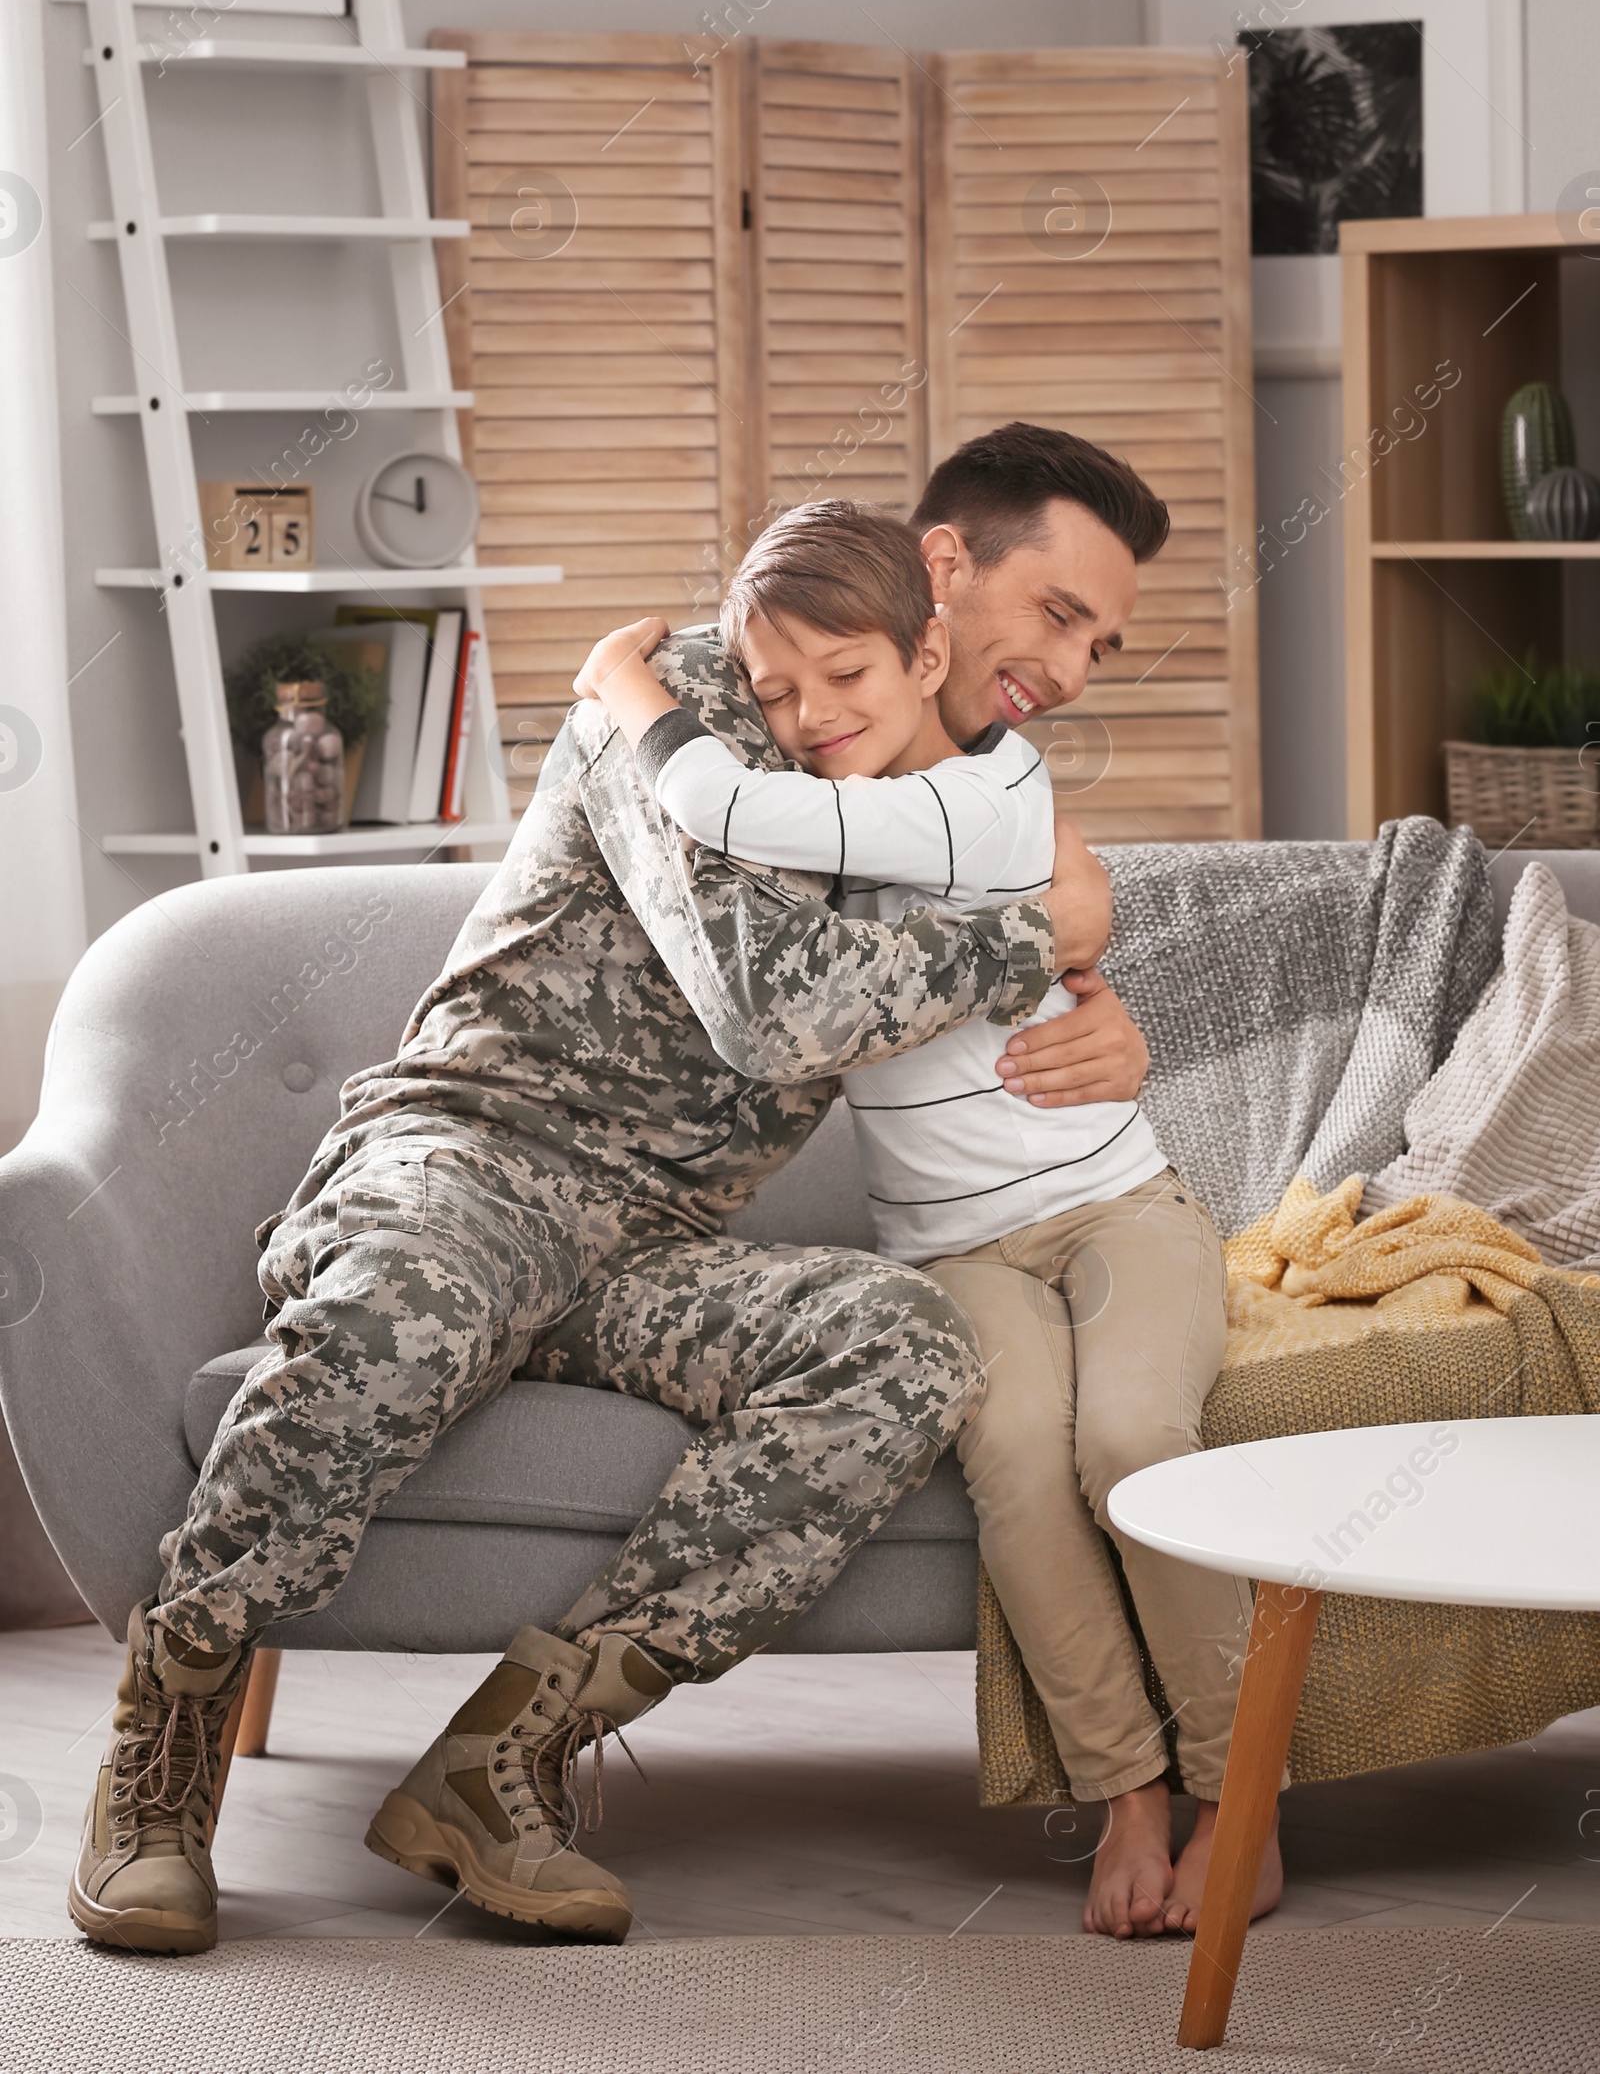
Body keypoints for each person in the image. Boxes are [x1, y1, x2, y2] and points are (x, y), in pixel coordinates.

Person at [69, 421, 1155, 1958]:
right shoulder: (691, 710)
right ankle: (164, 1737)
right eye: (1056, 615)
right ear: (940, 574)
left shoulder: (963, 793)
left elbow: (1064, 961)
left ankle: (500, 1757)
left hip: (651, 1242)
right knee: (409, 1304)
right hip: (475, 1158)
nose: (1071, 667)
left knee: (905, 1341)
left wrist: (1105, 1000)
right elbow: (766, 1004)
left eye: (1103, 641)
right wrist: (1031, 939)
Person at [581, 495, 1266, 1942]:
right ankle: (1126, 1789)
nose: (814, 713)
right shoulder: (849, 781)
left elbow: (716, 800)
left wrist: (619, 683)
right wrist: (735, 680)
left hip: (1111, 1204)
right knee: (1017, 1458)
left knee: (1131, 1442)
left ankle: (1243, 1794)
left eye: (848, 678)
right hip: (952, 1247)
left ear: (922, 644)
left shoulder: (972, 795)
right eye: (778, 692)